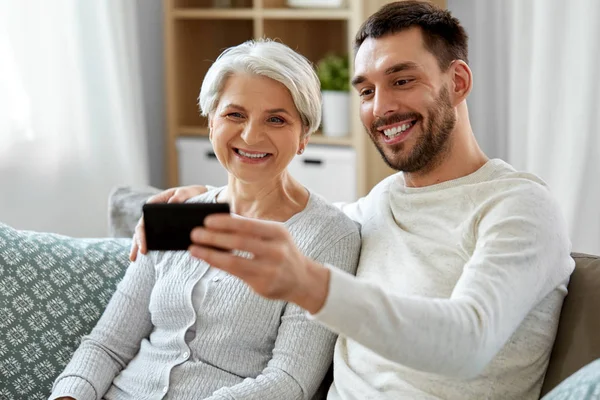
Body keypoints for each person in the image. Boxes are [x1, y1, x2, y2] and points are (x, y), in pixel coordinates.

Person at [130, 2, 575, 399]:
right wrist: (200, 202)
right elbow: (289, 213)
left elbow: (468, 344)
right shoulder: (377, 207)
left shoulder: (518, 205)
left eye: (402, 80)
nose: (382, 107)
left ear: (457, 81)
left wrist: (310, 283)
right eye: (365, 91)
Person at [50, 39, 361, 400]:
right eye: (235, 115)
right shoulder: (176, 213)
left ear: (304, 135)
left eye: (276, 119)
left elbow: (290, 381)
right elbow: (107, 345)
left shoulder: (329, 237)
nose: (251, 135)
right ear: (211, 121)